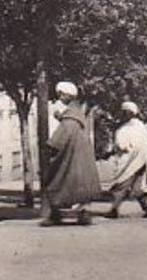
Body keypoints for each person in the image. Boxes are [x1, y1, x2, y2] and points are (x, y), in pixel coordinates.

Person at [43, 81, 103, 226]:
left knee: (56, 182)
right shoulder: (79, 117)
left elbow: (57, 140)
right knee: (79, 189)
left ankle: (54, 215)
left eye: (60, 94)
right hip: (81, 161)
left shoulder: (68, 121)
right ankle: (82, 214)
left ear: (64, 95)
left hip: (68, 161)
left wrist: (49, 149)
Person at [105, 101, 147, 219]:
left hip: (129, 162)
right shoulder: (142, 127)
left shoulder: (127, 129)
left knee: (121, 185)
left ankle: (114, 210)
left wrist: (117, 149)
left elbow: (122, 145)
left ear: (128, 113)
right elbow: (146, 146)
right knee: (138, 187)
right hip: (142, 162)